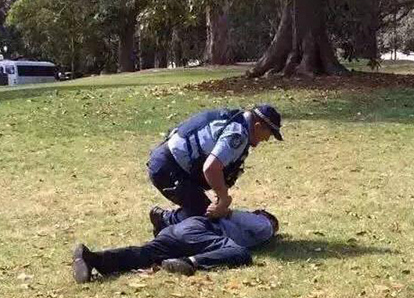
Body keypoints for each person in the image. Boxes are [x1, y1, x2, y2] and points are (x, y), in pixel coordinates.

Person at [147, 104, 283, 235]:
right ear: (258, 126)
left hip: (171, 163)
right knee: (206, 220)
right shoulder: (238, 134)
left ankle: (176, 218)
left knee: (210, 214)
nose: (266, 139)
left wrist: (220, 197)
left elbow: (220, 169)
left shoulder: (236, 119)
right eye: (269, 133)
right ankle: (164, 220)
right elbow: (211, 168)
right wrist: (224, 199)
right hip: (168, 168)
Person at [72, 209, 279, 283]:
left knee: (147, 253)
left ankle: (94, 259)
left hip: (180, 229)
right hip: (203, 232)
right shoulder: (262, 223)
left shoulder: (244, 222)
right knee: (240, 253)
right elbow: (261, 227)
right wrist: (270, 226)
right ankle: (189, 263)